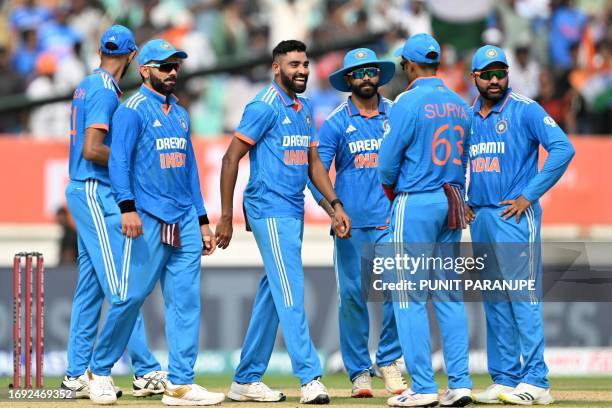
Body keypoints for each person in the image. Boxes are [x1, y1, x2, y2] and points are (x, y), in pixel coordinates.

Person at [86, 39, 225, 406]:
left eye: (176, 65)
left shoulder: (181, 113)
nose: (172, 72)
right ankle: (98, 372)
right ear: (144, 69)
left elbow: (190, 170)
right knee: (129, 297)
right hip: (147, 217)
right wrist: (127, 208)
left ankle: (180, 383)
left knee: (185, 303)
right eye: (165, 66)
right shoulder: (131, 110)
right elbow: (118, 164)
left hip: (185, 219)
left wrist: (203, 220)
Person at [215, 40, 351, 405]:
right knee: (291, 291)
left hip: (291, 209)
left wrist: (333, 204)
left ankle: (245, 379)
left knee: (273, 296)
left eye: (305, 64)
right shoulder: (264, 106)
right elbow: (230, 159)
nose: (302, 70)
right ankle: (309, 377)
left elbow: (313, 165)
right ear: (277, 68)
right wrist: (226, 217)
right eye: (294, 65)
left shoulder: (304, 108)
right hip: (268, 208)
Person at [62, 25, 166, 399]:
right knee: (124, 286)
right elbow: (92, 149)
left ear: (100, 49)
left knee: (90, 289)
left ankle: (75, 373)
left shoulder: (88, 84)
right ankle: (146, 369)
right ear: (133, 56)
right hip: (94, 190)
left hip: (84, 190)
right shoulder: (106, 91)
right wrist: (132, 161)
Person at [467, 45, 574, 405]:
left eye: (501, 73)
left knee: (522, 296)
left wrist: (529, 195)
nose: (495, 80)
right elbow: (467, 166)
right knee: (495, 300)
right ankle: (506, 377)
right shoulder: (469, 117)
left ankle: (536, 380)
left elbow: (562, 149)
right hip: (481, 217)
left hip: (515, 216)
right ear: (475, 78)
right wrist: (466, 201)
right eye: (488, 74)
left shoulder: (525, 110)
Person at [378, 33, 473, 407]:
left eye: (402, 65)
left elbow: (387, 164)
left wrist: (394, 193)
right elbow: (464, 159)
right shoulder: (459, 104)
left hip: (415, 200)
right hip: (451, 199)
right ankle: (461, 383)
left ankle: (423, 388)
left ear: (410, 65)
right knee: (449, 296)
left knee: (408, 296)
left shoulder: (406, 102)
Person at [308, 47, 407, 398]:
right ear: (347, 79)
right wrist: (333, 209)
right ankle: (359, 372)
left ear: (379, 75)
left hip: (392, 219)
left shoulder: (397, 114)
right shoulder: (336, 121)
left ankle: (390, 360)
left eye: (371, 71)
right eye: (358, 72)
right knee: (352, 296)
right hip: (351, 224)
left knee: (400, 290)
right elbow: (315, 169)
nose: (366, 77)